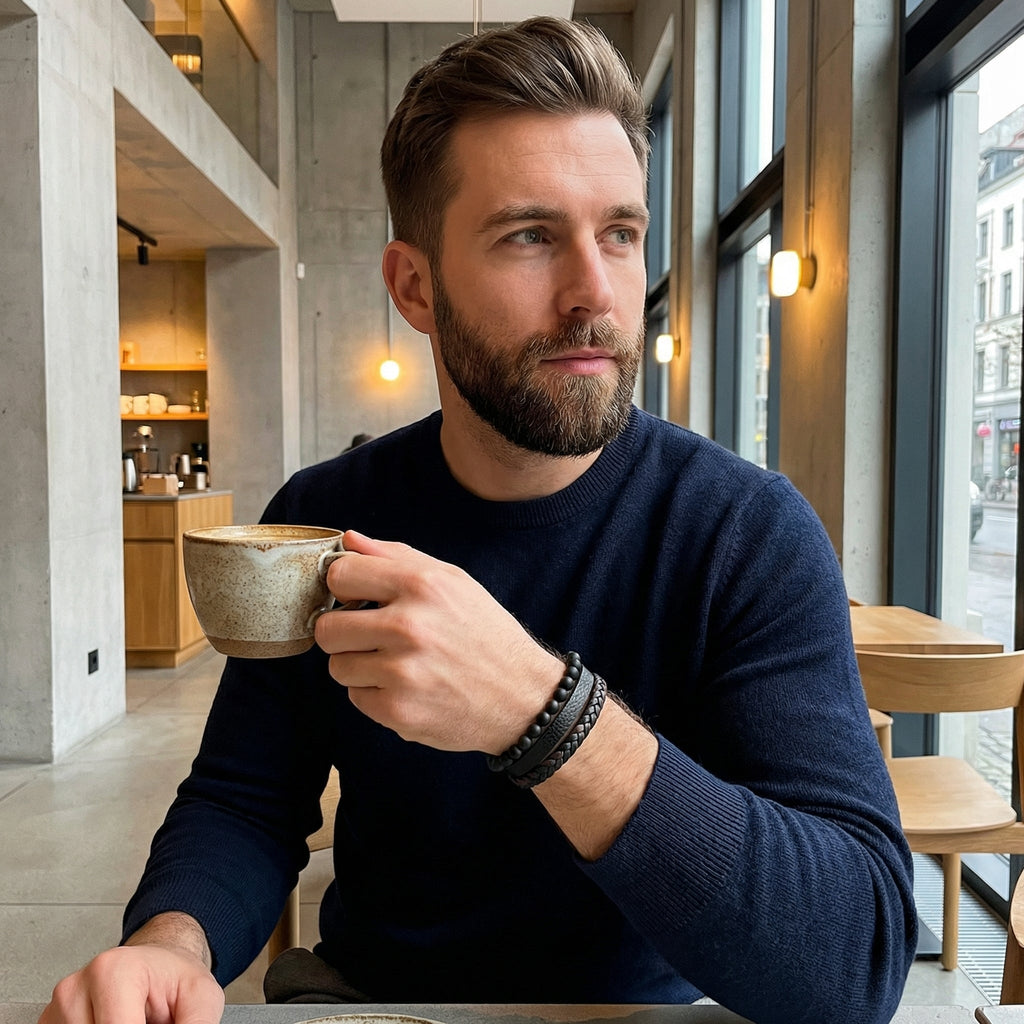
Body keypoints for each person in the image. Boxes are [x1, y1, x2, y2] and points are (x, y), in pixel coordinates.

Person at [40, 16, 916, 1024]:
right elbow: (246, 797)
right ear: (415, 285)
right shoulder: (325, 518)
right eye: (530, 236)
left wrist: (545, 716)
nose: (596, 292)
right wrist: (172, 941)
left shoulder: (744, 535)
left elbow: (853, 965)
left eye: (620, 234)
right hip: (378, 1000)